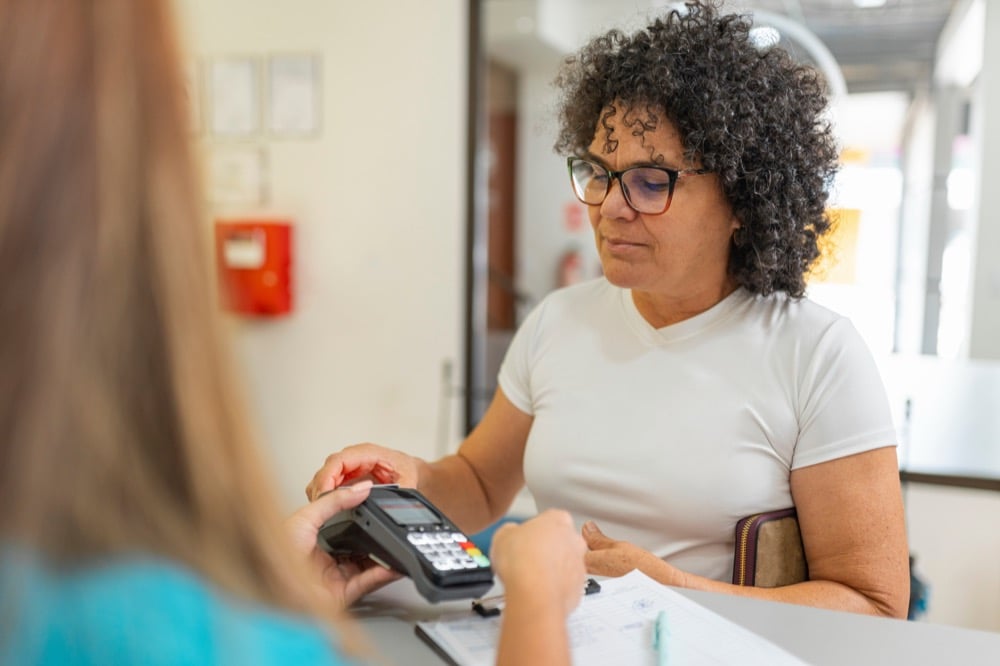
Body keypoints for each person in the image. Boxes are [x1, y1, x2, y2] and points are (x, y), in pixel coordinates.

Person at [0, 0, 587, 664]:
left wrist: (271, 585)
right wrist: (538, 602)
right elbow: (480, 479)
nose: (615, 204)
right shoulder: (150, 626)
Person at [307, 0, 910, 619]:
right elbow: (481, 483)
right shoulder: (557, 322)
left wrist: (669, 587)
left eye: (651, 182)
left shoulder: (817, 355)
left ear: (741, 200)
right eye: (599, 172)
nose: (609, 208)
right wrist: (408, 478)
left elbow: (873, 605)